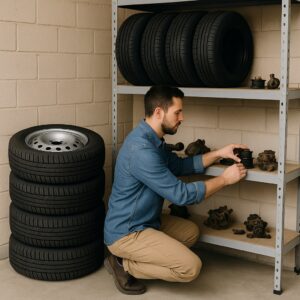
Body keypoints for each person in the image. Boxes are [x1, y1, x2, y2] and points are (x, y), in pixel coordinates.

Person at [104, 85, 247, 295]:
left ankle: (139, 254)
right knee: (190, 267)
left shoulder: (153, 141)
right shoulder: (142, 151)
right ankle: (122, 264)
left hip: (146, 221)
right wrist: (224, 179)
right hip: (127, 232)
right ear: (159, 112)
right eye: (178, 112)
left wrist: (218, 153)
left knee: (191, 233)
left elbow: (181, 166)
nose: (182, 117)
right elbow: (181, 195)